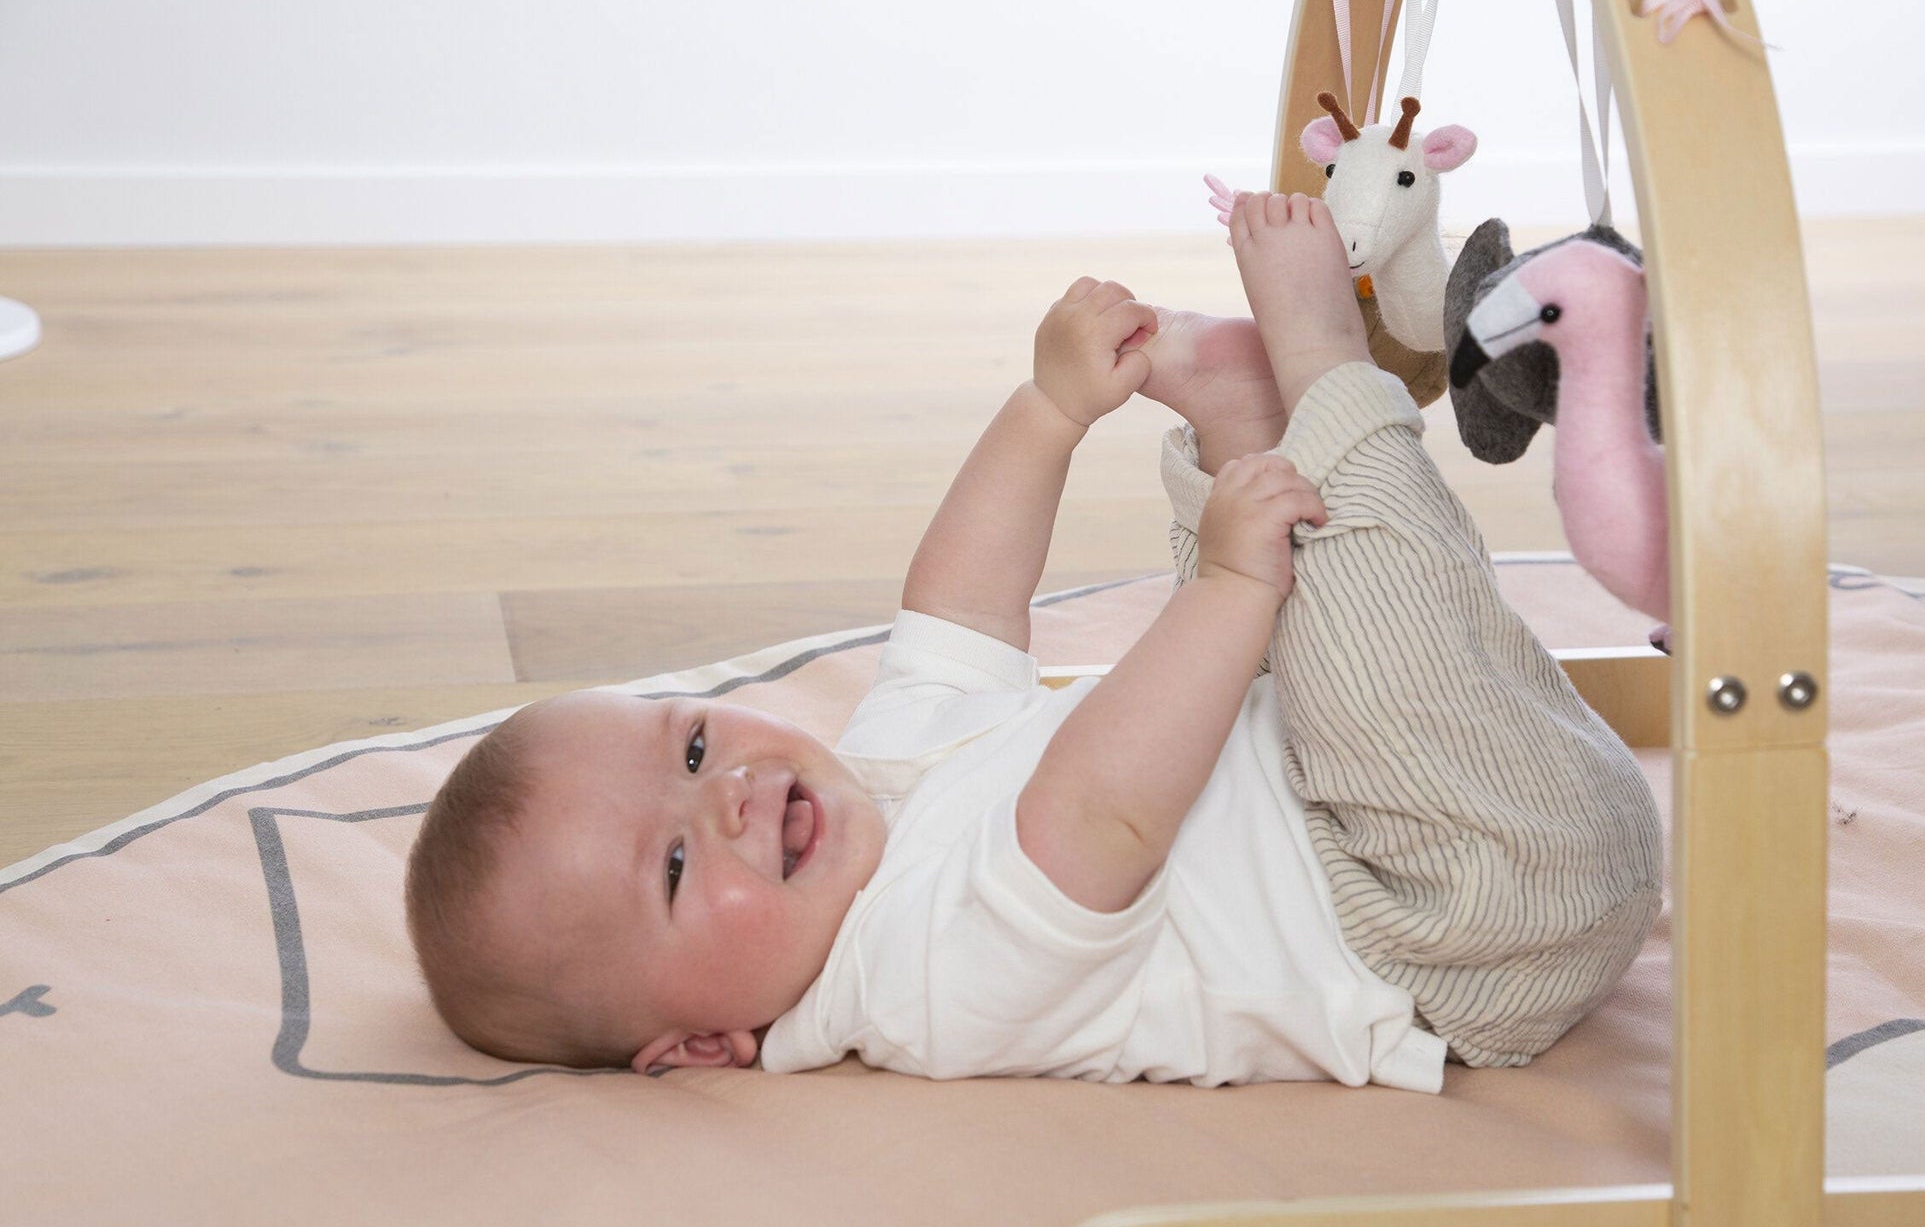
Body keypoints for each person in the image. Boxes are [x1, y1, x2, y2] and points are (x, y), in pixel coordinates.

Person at [404, 191, 1662, 1091]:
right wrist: (1224, 579)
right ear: (699, 1046)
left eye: (686, 752)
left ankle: (1247, 421)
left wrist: (1049, 410)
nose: (726, 796)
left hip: (1398, 800)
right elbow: (1095, 815)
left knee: (1283, 625)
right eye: (674, 871)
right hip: (1470, 911)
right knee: (1287, 605)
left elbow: (953, 612)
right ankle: (1321, 362)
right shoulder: (911, 987)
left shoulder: (873, 793)